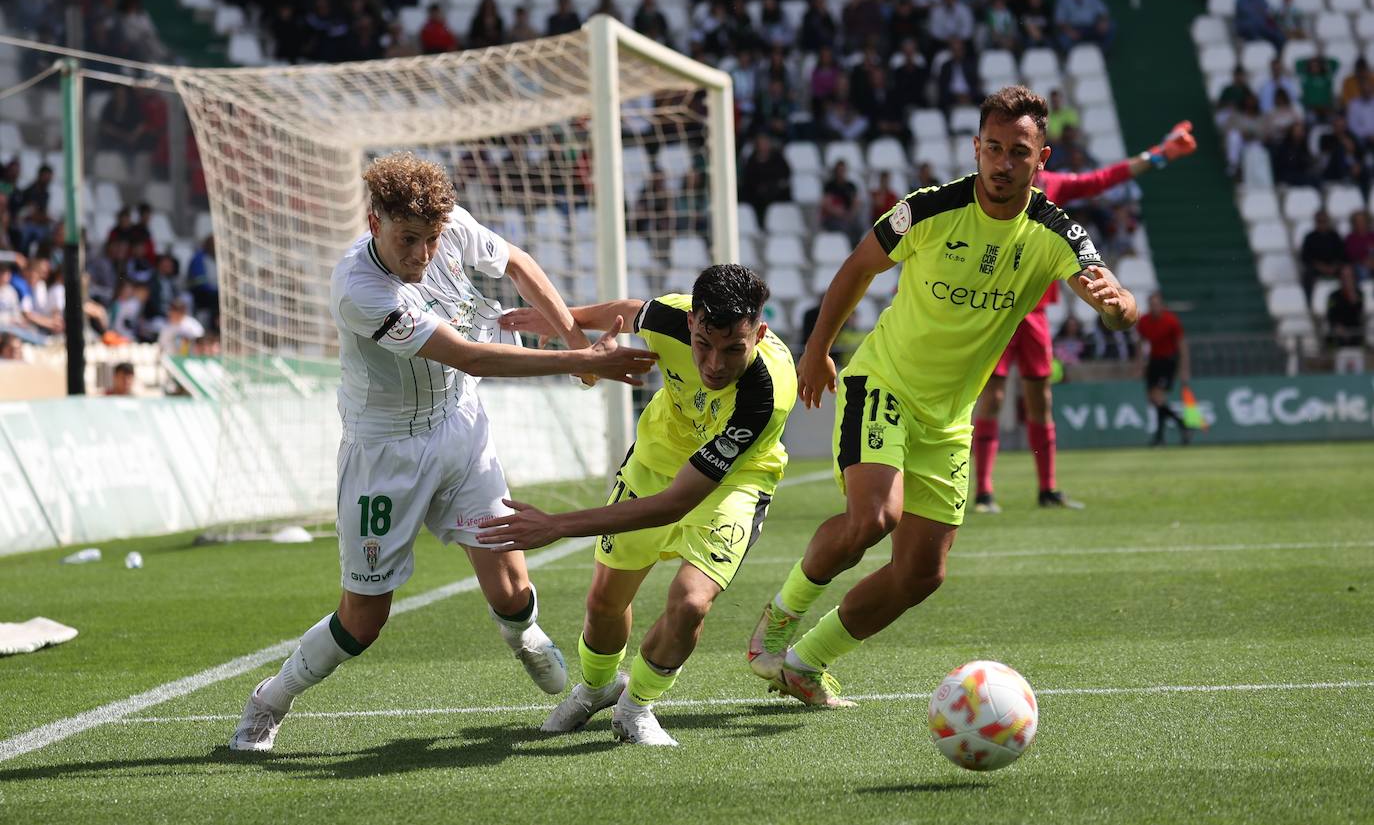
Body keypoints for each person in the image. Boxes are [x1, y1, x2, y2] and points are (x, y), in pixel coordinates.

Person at [229, 152, 657, 752]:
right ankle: (269, 701)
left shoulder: (448, 224)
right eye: (408, 239)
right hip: (386, 451)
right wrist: (584, 362)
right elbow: (470, 355)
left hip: (460, 424)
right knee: (364, 619)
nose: (422, 255)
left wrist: (574, 339)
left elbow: (518, 263)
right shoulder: (361, 289)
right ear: (374, 220)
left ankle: (526, 634)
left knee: (509, 579)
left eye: (431, 239)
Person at [746, 86, 1138, 706]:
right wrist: (818, 349)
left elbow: (1112, 294)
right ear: (975, 148)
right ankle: (778, 620)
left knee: (921, 574)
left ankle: (804, 663)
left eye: (1018, 152)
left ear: (1042, 158)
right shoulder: (929, 208)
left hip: (949, 418)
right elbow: (857, 267)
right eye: (992, 149)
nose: (1002, 164)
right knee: (873, 520)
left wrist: (1118, 309)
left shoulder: (1054, 230)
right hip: (884, 384)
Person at [481, 266, 794, 746]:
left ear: (761, 334)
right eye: (704, 345)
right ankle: (595, 689)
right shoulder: (669, 317)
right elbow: (628, 313)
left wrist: (559, 524)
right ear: (690, 323)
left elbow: (673, 505)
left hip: (736, 481)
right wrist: (567, 321)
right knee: (605, 602)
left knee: (690, 602)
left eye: (735, 349)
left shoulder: (765, 395)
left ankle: (636, 706)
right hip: (654, 460)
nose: (714, 364)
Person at [971, 119, 1198, 513]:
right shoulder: (989, 188)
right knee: (991, 397)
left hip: (1035, 313)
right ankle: (985, 492)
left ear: (1039, 156)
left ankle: (1047, 488)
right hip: (996, 310)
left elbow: (1103, 179)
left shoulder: (1053, 186)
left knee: (1039, 399)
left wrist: (1159, 154)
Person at [1137, 292, 1190, 446]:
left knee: (1158, 397)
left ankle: (1161, 436)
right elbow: (1140, 344)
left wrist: (1184, 368)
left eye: (1157, 304)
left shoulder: (1171, 321)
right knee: (1154, 400)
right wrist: (1139, 365)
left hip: (1168, 361)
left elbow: (1181, 345)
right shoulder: (1145, 321)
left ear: (1162, 305)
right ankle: (1178, 426)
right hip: (1154, 361)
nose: (1154, 307)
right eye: (1152, 304)